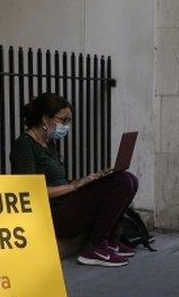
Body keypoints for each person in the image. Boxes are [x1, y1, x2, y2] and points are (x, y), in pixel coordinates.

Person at [10, 93, 138, 268]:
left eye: (68, 121)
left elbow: (58, 181)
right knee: (122, 181)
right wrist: (74, 185)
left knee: (129, 179)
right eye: (63, 120)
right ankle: (95, 246)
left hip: (66, 204)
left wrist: (88, 180)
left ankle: (109, 240)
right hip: (52, 214)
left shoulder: (48, 144)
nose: (66, 126)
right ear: (45, 118)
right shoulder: (24, 146)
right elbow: (29, 193)